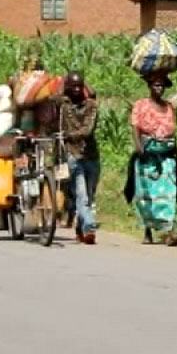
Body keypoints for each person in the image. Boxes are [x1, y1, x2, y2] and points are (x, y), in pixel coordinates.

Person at [126, 72, 177, 243]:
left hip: (166, 154)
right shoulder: (141, 105)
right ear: (149, 86)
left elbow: (173, 131)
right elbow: (135, 128)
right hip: (147, 154)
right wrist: (139, 147)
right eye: (156, 85)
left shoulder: (170, 108)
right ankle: (147, 230)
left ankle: (168, 230)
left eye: (161, 85)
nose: (159, 88)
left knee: (169, 191)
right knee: (147, 193)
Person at [58, 75, 99, 244]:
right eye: (72, 86)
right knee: (82, 195)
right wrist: (64, 82)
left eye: (79, 86)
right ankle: (89, 227)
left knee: (89, 195)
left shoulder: (91, 106)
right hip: (74, 155)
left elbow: (88, 130)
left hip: (91, 155)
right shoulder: (63, 105)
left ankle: (80, 229)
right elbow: (51, 97)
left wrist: (69, 135)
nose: (76, 89)